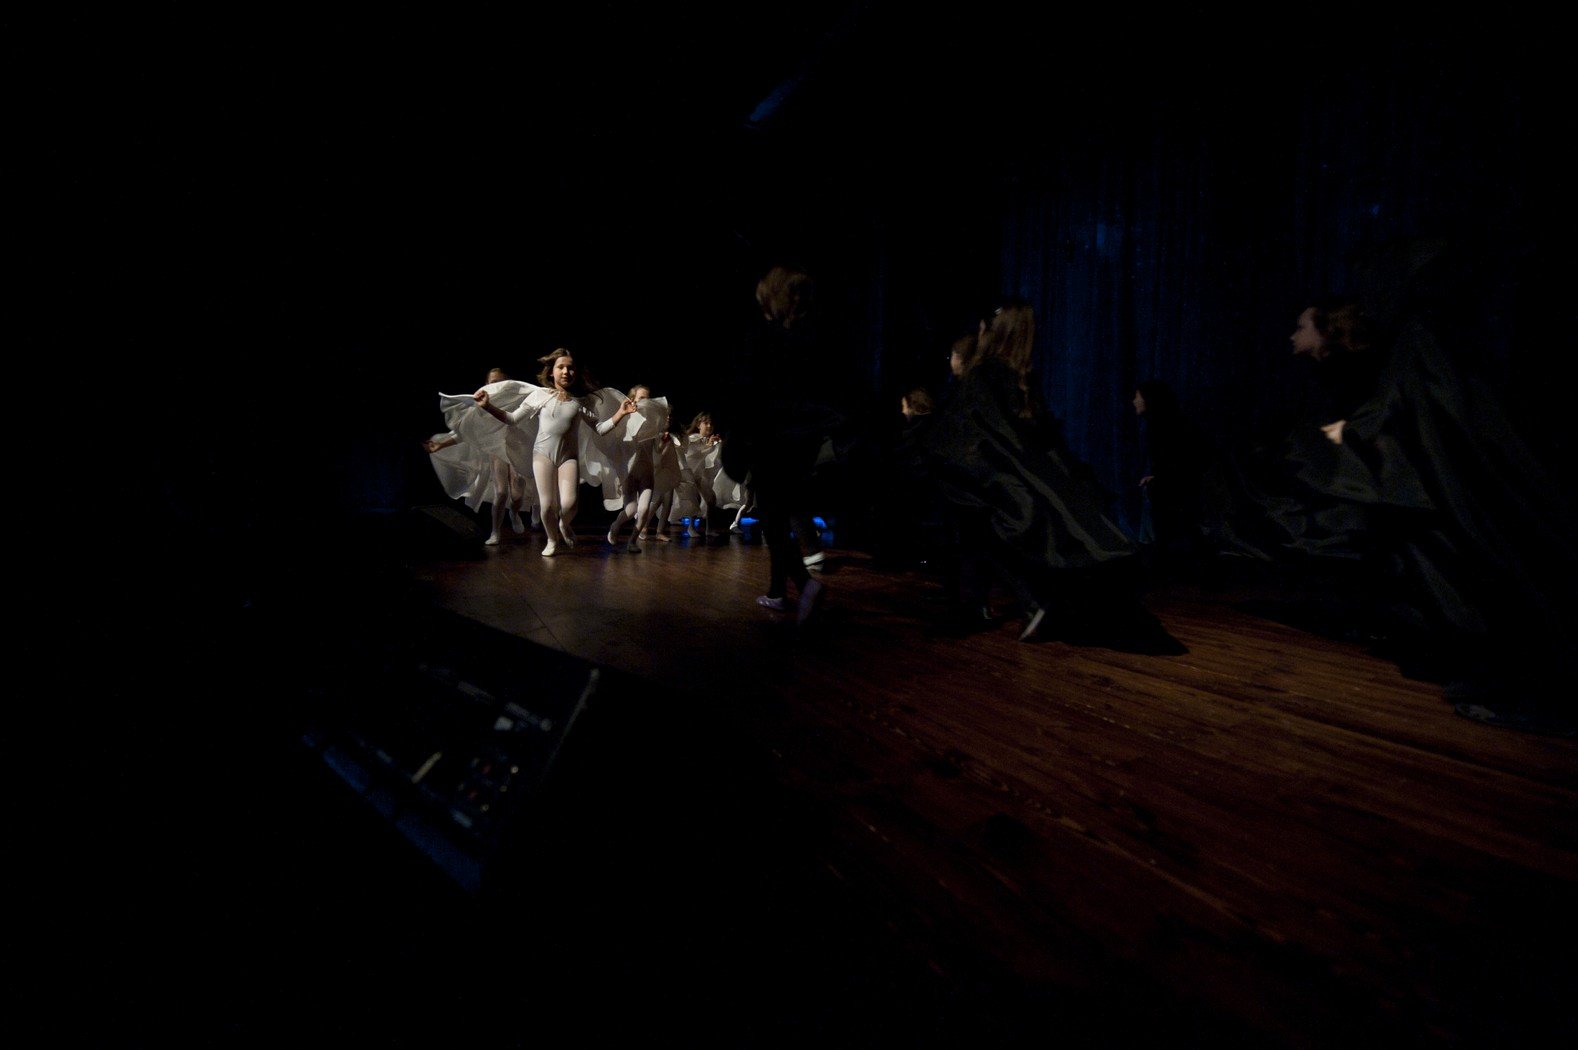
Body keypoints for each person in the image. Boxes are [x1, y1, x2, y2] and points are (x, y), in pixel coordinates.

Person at [925, 300, 1141, 642]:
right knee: (987, 537)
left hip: (988, 476)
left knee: (979, 534)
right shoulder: (1022, 378)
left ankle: (1023, 602)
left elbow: (971, 435)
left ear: (994, 331)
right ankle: (1003, 604)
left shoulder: (983, 375)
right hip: (1013, 476)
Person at [475, 349, 634, 556]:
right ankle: (552, 540)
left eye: (570, 368)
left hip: (568, 458)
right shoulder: (540, 396)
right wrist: (488, 406)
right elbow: (512, 419)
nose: (566, 371)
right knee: (547, 506)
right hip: (542, 456)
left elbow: (600, 429)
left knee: (570, 505)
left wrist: (621, 413)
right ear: (551, 372)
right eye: (561, 367)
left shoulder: (581, 402)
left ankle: (564, 524)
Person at [425, 367, 537, 545]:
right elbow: (465, 432)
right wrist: (441, 444)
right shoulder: (482, 407)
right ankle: (495, 532)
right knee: (501, 492)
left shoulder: (517, 401)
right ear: (487, 384)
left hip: (516, 449)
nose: (497, 386)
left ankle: (514, 513)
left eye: (501, 382)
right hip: (496, 451)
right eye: (493, 382)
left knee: (517, 494)